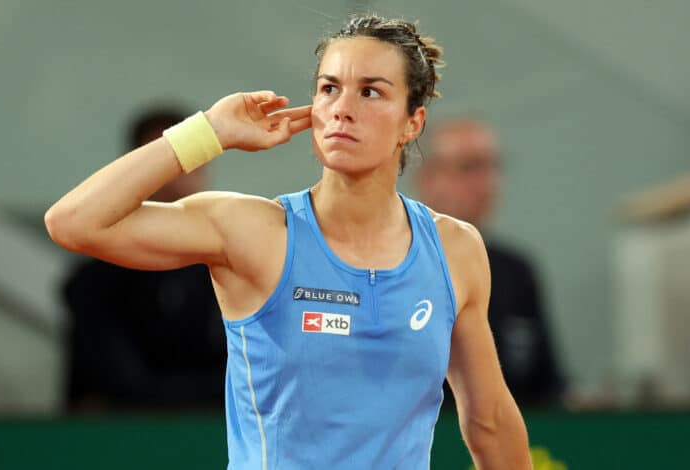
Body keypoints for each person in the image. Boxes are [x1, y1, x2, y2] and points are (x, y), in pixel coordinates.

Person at [45, 15, 531, 469]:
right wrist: (208, 132)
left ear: (413, 123)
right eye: (329, 88)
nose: (342, 108)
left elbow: (488, 420)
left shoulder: (455, 249)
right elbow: (74, 223)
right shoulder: (254, 231)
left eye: (370, 92)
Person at [62, 108, 226, 411]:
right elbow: (115, 384)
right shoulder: (94, 282)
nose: (177, 180)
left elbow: (250, 375)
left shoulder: (234, 265)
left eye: (191, 161)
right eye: (166, 165)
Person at [416, 118, 566, 406]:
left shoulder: (517, 272)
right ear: (428, 179)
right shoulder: (387, 267)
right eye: (470, 168)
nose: (486, 184)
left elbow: (547, 385)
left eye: (492, 167)